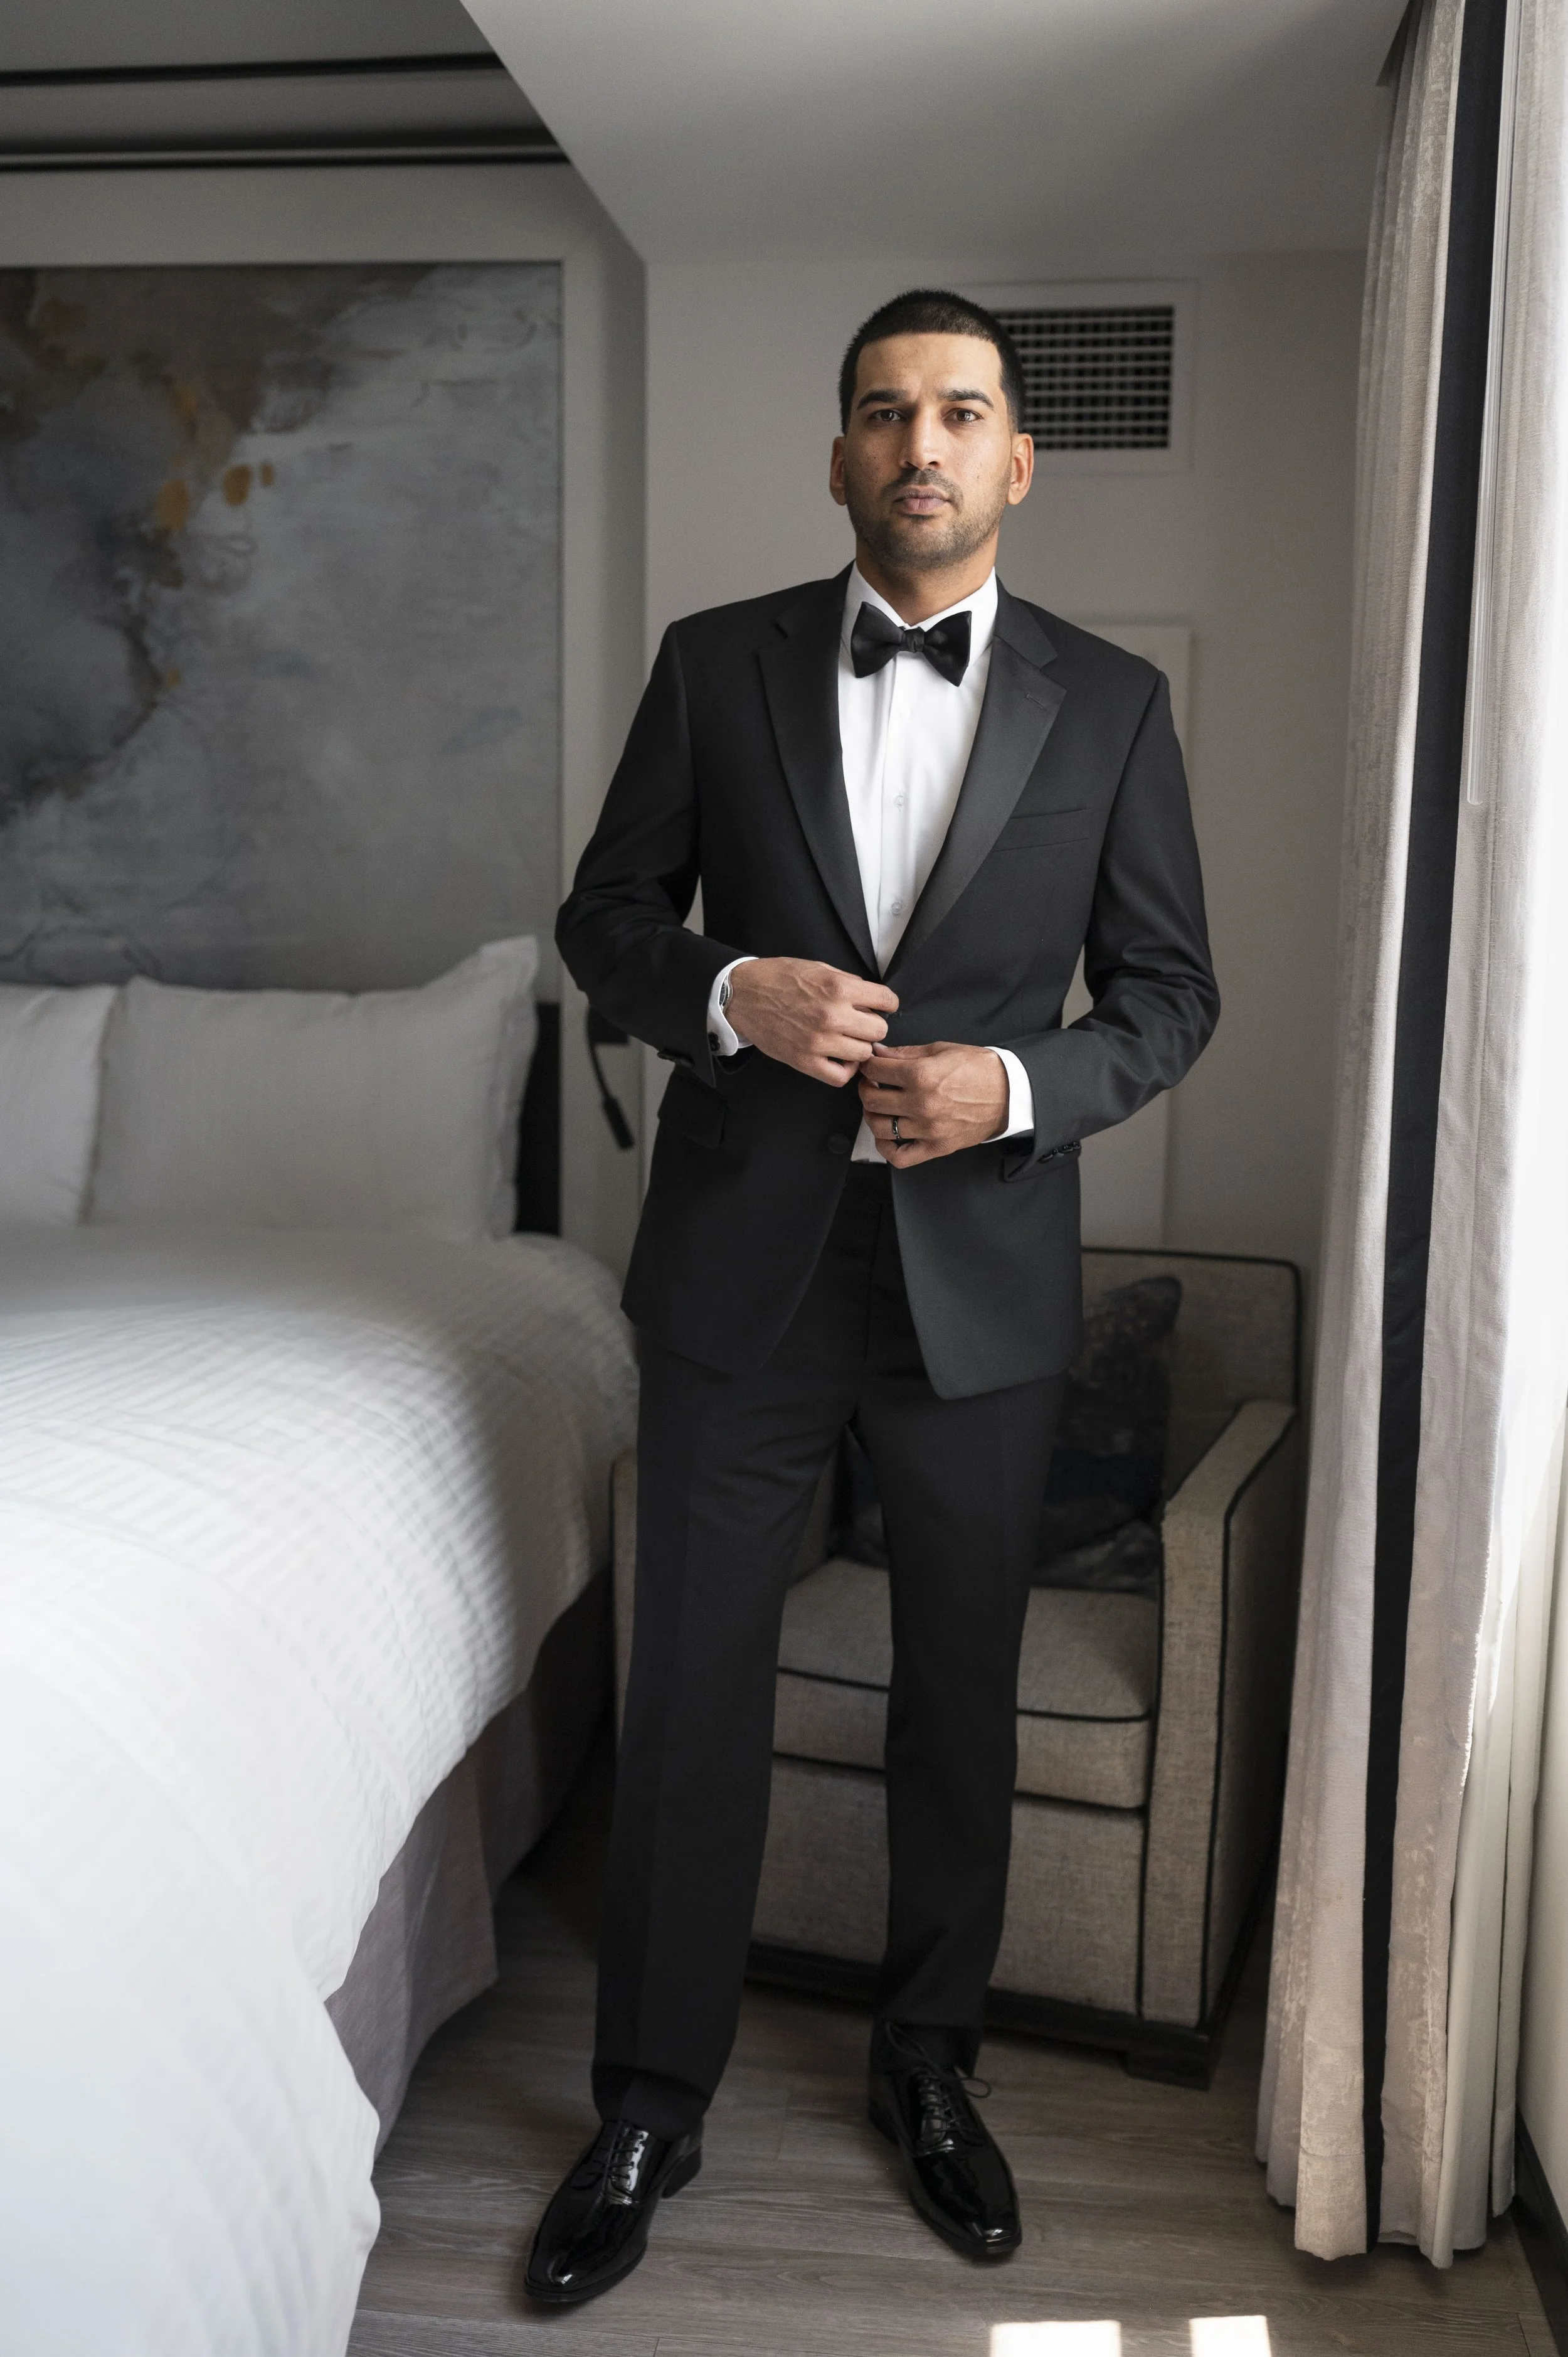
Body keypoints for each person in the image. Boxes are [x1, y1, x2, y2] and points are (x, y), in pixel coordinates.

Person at [528, 287, 1218, 2306]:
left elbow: (1170, 1002)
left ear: (1018, 457)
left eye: (961, 412)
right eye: (881, 413)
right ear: (838, 456)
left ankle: (930, 2066)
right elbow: (605, 923)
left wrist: (1009, 1083)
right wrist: (729, 991)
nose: (920, 444)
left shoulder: (1111, 707)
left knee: (953, 1701)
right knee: (691, 1701)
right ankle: (648, 2097)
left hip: (979, 1284)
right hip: (738, 1272)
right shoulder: (711, 663)